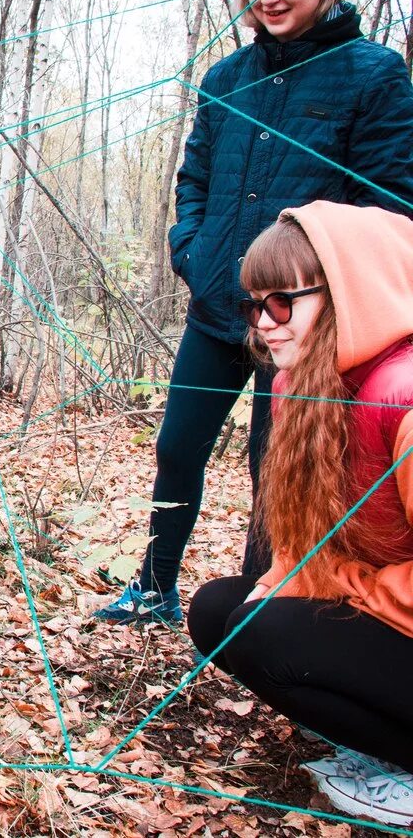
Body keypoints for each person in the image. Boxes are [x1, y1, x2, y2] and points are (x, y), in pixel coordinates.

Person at [95, 0, 413, 623]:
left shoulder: (375, 75)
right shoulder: (227, 76)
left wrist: (319, 290)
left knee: (280, 469)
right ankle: (155, 587)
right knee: (178, 446)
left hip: (306, 324)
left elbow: (389, 205)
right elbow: (195, 179)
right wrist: (193, 250)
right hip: (218, 310)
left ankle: (263, 609)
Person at [189, 203, 413, 827]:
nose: (264, 324)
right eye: (253, 306)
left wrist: (332, 586)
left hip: (396, 612)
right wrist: (279, 583)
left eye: (282, 302)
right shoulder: (303, 383)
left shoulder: (404, 393)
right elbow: (308, 540)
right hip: (389, 614)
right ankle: (384, 743)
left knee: (268, 635)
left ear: (348, 292)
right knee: (221, 612)